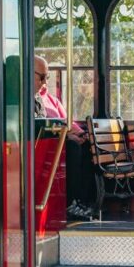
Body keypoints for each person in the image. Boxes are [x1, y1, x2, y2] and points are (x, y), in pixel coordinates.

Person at [34, 55, 93, 219]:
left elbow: (63, 121)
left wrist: (77, 133)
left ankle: (81, 200)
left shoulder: (43, 98)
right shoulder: (22, 100)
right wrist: (67, 134)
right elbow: (41, 127)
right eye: (42, 77)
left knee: (87, 147)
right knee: (73, 148)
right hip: (39, 148)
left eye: (47, 77)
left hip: (53, 141)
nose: (45, 83)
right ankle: (69, 203)